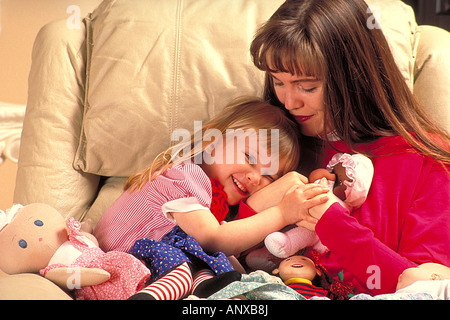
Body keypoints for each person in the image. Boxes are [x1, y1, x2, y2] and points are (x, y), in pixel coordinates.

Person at [243, 0, 450, 295]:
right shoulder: (270, 141)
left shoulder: (426, 161)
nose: (289, 103)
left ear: (356, 77)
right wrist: (263, 203)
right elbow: (225, 251)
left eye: (308, 87)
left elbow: (420, 288)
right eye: (278, 82)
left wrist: (333, 225)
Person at [94, 97, 330, 299]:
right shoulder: (185, 177)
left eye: (270, 176)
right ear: (211, 141)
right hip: (115, 272)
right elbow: (214, 239)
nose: (256, 178)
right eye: (249, 157)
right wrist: (282, 213)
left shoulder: (210, 200)